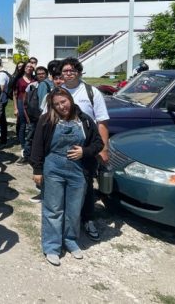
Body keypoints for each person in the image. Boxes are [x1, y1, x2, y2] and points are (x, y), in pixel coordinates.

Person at [30, 88, 104, 266]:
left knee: (73, 209)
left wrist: (84, 151)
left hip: (77, 170)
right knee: (54, 209)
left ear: (70, 99)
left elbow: (98, 143)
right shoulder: (47, 120)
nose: (61, 106)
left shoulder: (84, 120)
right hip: (53, 168)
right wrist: (37, 170)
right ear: (52, 106)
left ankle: (70, 240)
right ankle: (52, 246)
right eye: (56, 104)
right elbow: (37, 145)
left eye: (63, 102)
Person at [56, 57, 110, 241]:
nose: (68, 73)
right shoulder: (56, 93)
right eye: (65, 71)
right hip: (60, 148)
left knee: (86, 185)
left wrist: (103, 149)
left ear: (78, 72)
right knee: (62, 184)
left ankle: (87, 219)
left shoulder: (91, 92)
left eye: (72, 70)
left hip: (86, 148)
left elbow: (102, 122)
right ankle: (65, 219)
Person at [14, 62, 35, 163]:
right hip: (21, 103)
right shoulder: (19, 80)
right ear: (24, 68)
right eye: (27, 66)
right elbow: (15, 94)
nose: (29, 68)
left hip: (32, 104)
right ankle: (23, 146)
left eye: (31, 67)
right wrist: (15, 108)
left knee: (32, 125)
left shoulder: (35, 79)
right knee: (22, 125)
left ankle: (30, 146)